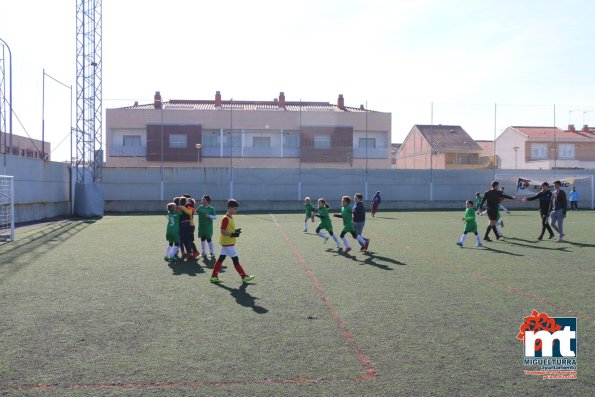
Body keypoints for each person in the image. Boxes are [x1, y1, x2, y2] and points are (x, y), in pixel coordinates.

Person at [209, 199, 255, 284]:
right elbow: (222, 231)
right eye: (235, 208)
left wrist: (235, 231)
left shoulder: (230, 217)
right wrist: (232, 234)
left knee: (221, 259)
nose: (236, 210)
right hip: (228, 243)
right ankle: (244, 276)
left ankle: (213, 277)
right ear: (230, 208)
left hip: (227, 242)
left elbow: (228, 229)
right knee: (235, 260)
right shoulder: (226, 218)